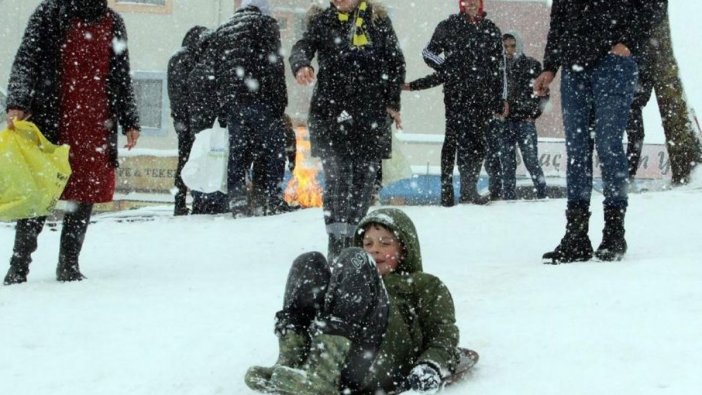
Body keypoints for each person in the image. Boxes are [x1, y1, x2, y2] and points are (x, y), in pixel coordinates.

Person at [244, 208, 463, 395]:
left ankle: (322, 375)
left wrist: (430, 365)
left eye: (385, 243)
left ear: (404, 250)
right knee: (310, 262)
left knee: (354, 258)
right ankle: (291, 362)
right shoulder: (350, 281)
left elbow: (444, 335)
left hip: (381, 362)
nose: (374, 249)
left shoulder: (424, 284)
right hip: (344, 361)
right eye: (367, 243)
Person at [3, 0, 140, 285]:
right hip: (54, 119)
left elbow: (121, 75)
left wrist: (130, 119)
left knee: (85, 192)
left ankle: (69, 265)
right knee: (41, 193)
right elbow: (27, 58)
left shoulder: (112, 22)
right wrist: (17, 101)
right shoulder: (49, 13)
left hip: (95, 125)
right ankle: (19, 266)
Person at [535, 0, 666, 264]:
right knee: (577, 150)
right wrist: (550, 67)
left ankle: (614, 232)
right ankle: (576, 235)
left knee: (608, 144)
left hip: (614, 61)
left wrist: (629, 41)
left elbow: (654, 5)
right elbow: (559, 19)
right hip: (574, 64)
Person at [289, 0, 405, 260]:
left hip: (370, 115)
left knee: (363, 184)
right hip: (331, 115)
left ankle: (357, 243)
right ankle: (337, 243)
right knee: (338, 183)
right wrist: (301, 64)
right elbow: (302, 47)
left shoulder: (377, 20)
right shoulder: (322, 20)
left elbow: (395, 62)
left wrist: (392, 104)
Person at [202, 0, 287, 218]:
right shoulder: (266, 24)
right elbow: (275, 65)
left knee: (237, 152)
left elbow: (215, 71)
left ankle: (237, 200)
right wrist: (280, 103)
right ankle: (270, 197)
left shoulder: (224, 29)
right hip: (261, 98)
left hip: (233, 103)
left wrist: (222, 106)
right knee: (272, 149)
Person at [421, 0, 503, 206]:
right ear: (461, 4)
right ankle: (446, 191)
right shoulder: (448, 26)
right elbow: (428, 52)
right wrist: (447, 67)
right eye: (466, 1)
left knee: (477, 142)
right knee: (452, 140)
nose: (471, 4)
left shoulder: (491, 29)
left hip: (482, 97)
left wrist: (500, 97)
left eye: (476, 0)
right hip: (456, 95)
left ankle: (469, 189)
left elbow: (498, 68)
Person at [499, 32, 548, 200]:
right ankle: (508, 198)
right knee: (507, 162)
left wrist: (533, 114)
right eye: (505, 46)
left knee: (531, 160)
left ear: (519, 45)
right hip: (505, 121)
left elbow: (544, 93)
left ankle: (542, 194)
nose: (509, 50)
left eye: (512, 45)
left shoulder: (531, 65)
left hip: (525, 121)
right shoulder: (499, 66)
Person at [167, 25, 210, 216]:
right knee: (198, 159)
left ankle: (179, 202)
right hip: (197, 119)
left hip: (181, 119)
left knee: (183, 160)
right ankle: (199, 201)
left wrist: (179, 117)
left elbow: (175, 94)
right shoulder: (196, 60)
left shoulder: (175, 60)